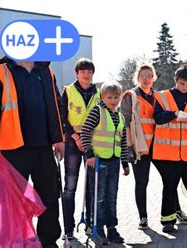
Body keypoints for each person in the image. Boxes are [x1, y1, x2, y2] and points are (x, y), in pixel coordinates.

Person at [0, 56, 65, 248]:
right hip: (12, 148)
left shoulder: (46, 71)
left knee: (50, 197)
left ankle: (49, 241)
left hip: (44, 148)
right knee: (11, 201)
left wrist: (59, 138)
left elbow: (56, 106)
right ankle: (12, 241)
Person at [152, 66, 187, 233]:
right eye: (182, 83)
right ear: (175, 80)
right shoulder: (161, 97)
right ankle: (168, 221)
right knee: (169, 187)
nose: (185, 87)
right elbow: (158, 118)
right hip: (169, 153)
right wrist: (175, 114)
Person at [81, 81, 129, 245]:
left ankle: (112, 229)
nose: (113, 100)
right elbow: (85, 131)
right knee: (99, 198)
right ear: (102, 97)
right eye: (109, 97)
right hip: (98, 162)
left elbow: (122, 141)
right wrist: (89, 155)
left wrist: (125, 162)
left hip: (114, 162)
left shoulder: (120, 116)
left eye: (116, 97)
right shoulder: (97, 111)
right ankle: (98, 229)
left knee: (111, 197)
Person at [61, 58, 100, 239]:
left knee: (91, 186)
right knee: (70, 187)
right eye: (83, 71)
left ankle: (90, 224)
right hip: (72, 142)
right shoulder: (68, 91)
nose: (86, 74)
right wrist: (76, 137)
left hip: (93, 143)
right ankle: (68, 229)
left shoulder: (99, 93)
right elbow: (62, 118)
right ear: (77, 73)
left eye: (89, 71)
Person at [121, 63, 157, 230]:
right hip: (139, 147)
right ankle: (143, 217)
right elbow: (126, 123)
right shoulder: (131, 96)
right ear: (137, 77)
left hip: (158, 145)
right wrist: (128, 148)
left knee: (170, 178)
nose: (146, 78)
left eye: (150, 75)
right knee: (142, 182)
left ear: (154, 77)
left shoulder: (158, 96)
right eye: (143, 75)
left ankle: (175, 210)